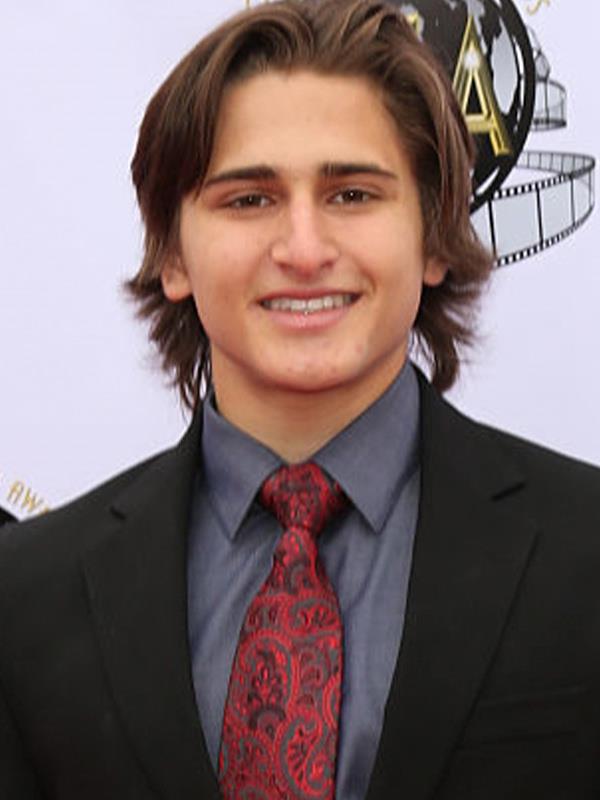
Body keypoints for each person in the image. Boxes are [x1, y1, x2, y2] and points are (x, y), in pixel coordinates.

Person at [1, 1, 599, 798]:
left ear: (432, 237)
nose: (305, 250)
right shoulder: (26, 593)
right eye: (249, 199)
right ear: (172, 255)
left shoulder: (585, 548)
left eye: (352, 195)